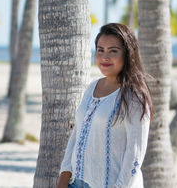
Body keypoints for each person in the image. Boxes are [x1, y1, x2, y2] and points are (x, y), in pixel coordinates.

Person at [56, 23, 154, 188]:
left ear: (128, 54)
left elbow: (135, 153)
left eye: (113, 51)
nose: (104, 57)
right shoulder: (92, 87)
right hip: (75, 183)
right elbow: (76, 135)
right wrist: (64, 178)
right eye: (100, 50)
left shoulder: (134, 96)